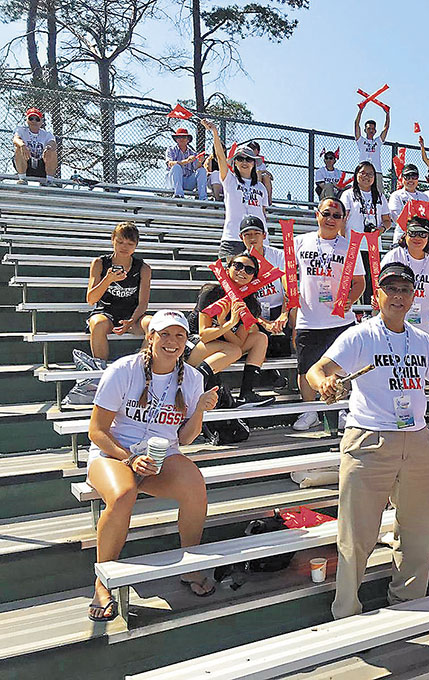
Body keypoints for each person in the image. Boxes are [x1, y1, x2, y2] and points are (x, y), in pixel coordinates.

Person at [307, 262, 429, 619]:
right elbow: (319, 370)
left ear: (413, 296)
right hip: (369, 440)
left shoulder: (421, 339)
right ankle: (346, 613)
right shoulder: (360, 335)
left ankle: (407, 606)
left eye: (406, 289)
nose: (399, 295)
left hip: (417, 441)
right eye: (391, 288)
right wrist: (323, 383)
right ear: (377, 296)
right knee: (356, 535)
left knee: (418, 532)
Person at [86, 310, 219, 621]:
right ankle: (102, 581)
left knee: (195, 486)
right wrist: (130, 457)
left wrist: (199, 410)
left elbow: (184, 439)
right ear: (151, 336)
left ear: (187, 342)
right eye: (165, 334)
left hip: (161, 457)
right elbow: (96, 431)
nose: (171, 342)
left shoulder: (193, 378)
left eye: (179, 336)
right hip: (113, 453)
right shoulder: (124, 370)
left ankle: (190, 567)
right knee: (122, 495)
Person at [291, 197, 365, 431]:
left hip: (340, 319)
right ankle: (309, 411)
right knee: (305, 368)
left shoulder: (350, 247)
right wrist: (291, 300)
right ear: (317, 215)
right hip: (309, 318)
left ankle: (341, 409)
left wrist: (349, 301)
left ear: (343, 220)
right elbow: (288, 274)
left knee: (343, 368)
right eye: (326, 214)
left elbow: (359, 282)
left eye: (336, 216)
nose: (331, 219)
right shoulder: (299, 242)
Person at [186, 253, 275, 408]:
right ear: (228, 269)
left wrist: (224, 324)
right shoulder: (212, 293)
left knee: (260, 338)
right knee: (233, 351)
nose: (242, 271)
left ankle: (246, 394)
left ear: (254, 277)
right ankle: (192, 385)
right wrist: (227, 324)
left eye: (249, 270)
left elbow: (239, 342)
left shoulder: (251, 305)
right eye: (238, 266)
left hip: (224, 347)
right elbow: (204, 335)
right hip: (194, 345)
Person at [199, 119, 270, 260]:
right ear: (235, 162)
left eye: (249, 159)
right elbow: (220, 157)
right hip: (233, 238)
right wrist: (214, 132)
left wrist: (264, 238)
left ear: (254, 163)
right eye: (240, 159)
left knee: (259, 280)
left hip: (258, 241)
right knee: (228, 279)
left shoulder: (261, 187)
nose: (244, 162)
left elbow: (263, 214)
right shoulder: (229, 179)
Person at [238, 216, 293, 387]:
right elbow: (244, 302)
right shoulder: (240, 263)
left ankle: (301, 360)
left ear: (264, 235)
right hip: (257, 313)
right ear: (241, 238)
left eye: (256, 233)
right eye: (247, 234)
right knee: (246, 320)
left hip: (279, 307)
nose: (253, 238)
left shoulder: (278, 255)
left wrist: (283, 315)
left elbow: (289, 288)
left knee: (297, 311)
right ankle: (266, 372)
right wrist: (264, 322)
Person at [85, 222, 153, 361]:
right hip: (106, 313)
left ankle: (141, 363)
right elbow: (91, 299)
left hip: (132, 316)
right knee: (97, 324)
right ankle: (100, 367)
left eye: (130, 243)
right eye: (120, 241)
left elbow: (143, 303)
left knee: (154, 324)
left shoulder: (143, 268)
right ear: (113, 240)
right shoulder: (100, 263)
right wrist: (107, 280)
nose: (124, 247)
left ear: (136, 245)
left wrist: (131, 321)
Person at [381, 217, 429, 334]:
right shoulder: (394, 256)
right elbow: (379, 285)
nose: (417, 238)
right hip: (393, 321)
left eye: (422, 234)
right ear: (405, 235)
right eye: (413, 233)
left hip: (422, 325)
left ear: (428, 237)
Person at [340, 160, 391, 305]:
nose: (366, 177)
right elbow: (342, 220)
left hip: (372, 245)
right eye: (363, 173)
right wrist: (342, 240)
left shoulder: (380, 196)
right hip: (353, 243)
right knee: (352, 280)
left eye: (370, 174)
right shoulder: (348, 194)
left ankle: (369, 311)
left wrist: (380, 230)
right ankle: (351, 310)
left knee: (371, 280)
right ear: (356, 175)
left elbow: (387, 220)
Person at [13, 107, 57, 184]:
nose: (34, 121)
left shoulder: (47, 134)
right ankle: (22, 179)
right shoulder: (21, 130)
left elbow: (53, 143)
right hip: (26, 164)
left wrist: (48, 147)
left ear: (41, 122)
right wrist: (22, 145)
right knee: (18, 148)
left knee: (52, 151)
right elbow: (16, 139)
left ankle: (49, 181)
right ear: (27, 120)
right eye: (31, 118)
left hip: (41, 165)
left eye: (37, 119)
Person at [389, 164, 429, 243]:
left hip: (420, 239)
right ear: (402, 178)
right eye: (407, 177)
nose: (411, 180)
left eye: (414, 177)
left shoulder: (424, 197)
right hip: (402, 237)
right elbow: (396, 218)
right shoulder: (396, 195)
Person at [165, 127, 207, 201]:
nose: (181, 139)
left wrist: (200, 162)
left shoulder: (193, 153)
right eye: (179, 137)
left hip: (188, 182)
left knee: (202, 170)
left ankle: (203, 198)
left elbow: (197, 168)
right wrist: (186, 161)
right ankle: (178, 195)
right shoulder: (171, 150)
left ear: (188, 140)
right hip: (174, 183)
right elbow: (170, 163)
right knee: (176, 167)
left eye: (184, 137)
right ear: (176, 139)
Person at [354, 106, 390, 187]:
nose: (371, 130)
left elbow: (386, 128)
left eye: (373, 129)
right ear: (365, 130)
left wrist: (387, 113)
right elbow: (356, 125)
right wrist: (360, 110)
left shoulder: (378, 141)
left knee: (378, 194)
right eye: (369, 128)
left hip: (376, 171)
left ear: (375, 131)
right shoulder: (361, 141)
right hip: (363, 171)